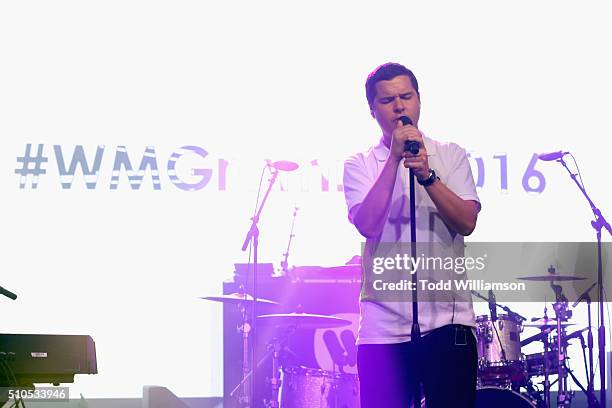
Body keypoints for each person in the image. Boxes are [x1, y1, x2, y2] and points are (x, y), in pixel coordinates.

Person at [343, 62, 481, 407]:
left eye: (407, 96)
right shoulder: (359, 164)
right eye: (388, 100)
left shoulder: (450, 154)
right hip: (382, 330)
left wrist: (428, 176)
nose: (400, 106)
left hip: (449, 326)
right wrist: (393, 159)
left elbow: (467, 221)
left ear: (419, 100)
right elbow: (368, 224)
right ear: (372, 110)